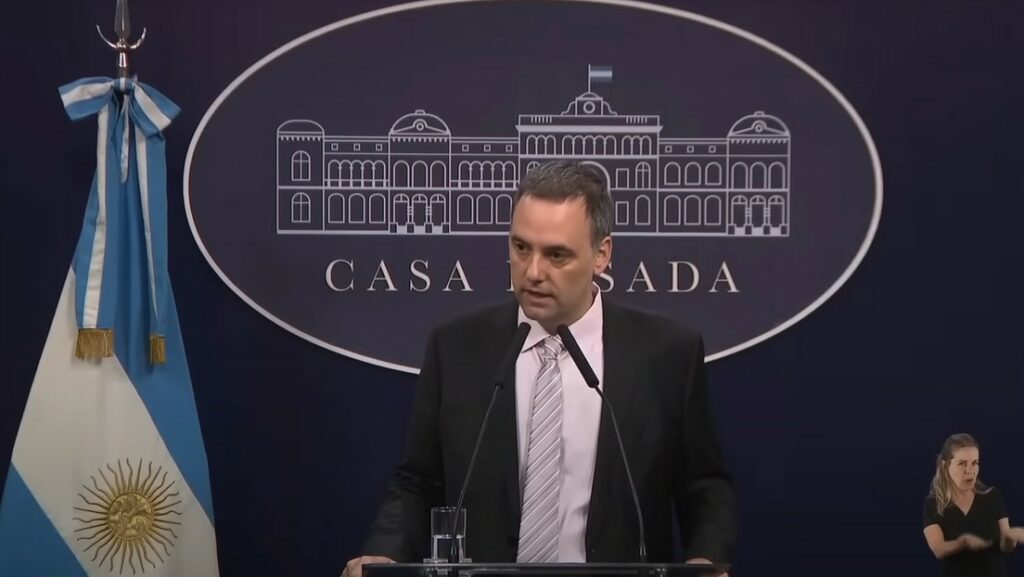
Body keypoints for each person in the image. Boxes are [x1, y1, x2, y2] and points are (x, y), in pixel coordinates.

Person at [343, 161, 736, 577]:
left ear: (602, 255)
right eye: (521, 248)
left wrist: (705, 562)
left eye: (556, 255)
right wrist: (385, 555)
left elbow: (704, 486)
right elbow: (417, 482)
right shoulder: (456, 347)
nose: (532, 272)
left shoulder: (666, 353)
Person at [923, 433, 1024, 576]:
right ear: (945, 466)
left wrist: (1011, 536)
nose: (969, 471)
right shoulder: (934, 504)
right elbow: (938, 549)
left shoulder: (992, 497)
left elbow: (1004, 548)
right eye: (962, 464)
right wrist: (963, 542)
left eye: (974, 463)